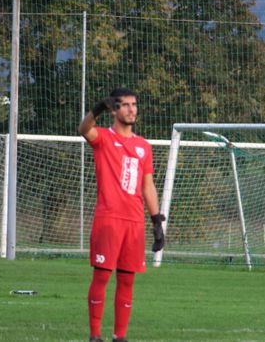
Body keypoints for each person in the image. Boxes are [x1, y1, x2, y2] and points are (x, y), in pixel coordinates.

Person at [78, 87, 165, 342]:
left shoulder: (143, 147)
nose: (131, 109)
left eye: (134, 104)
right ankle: (95, 335)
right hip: (109, 219)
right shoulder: (103, 138)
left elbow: (147, 185)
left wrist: (156, 221)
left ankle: (120, 337)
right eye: (125, 105)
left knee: (127, 281)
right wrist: (97, 110)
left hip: (134, 223)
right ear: (115, 110)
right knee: (102, 276)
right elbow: (84, 129)